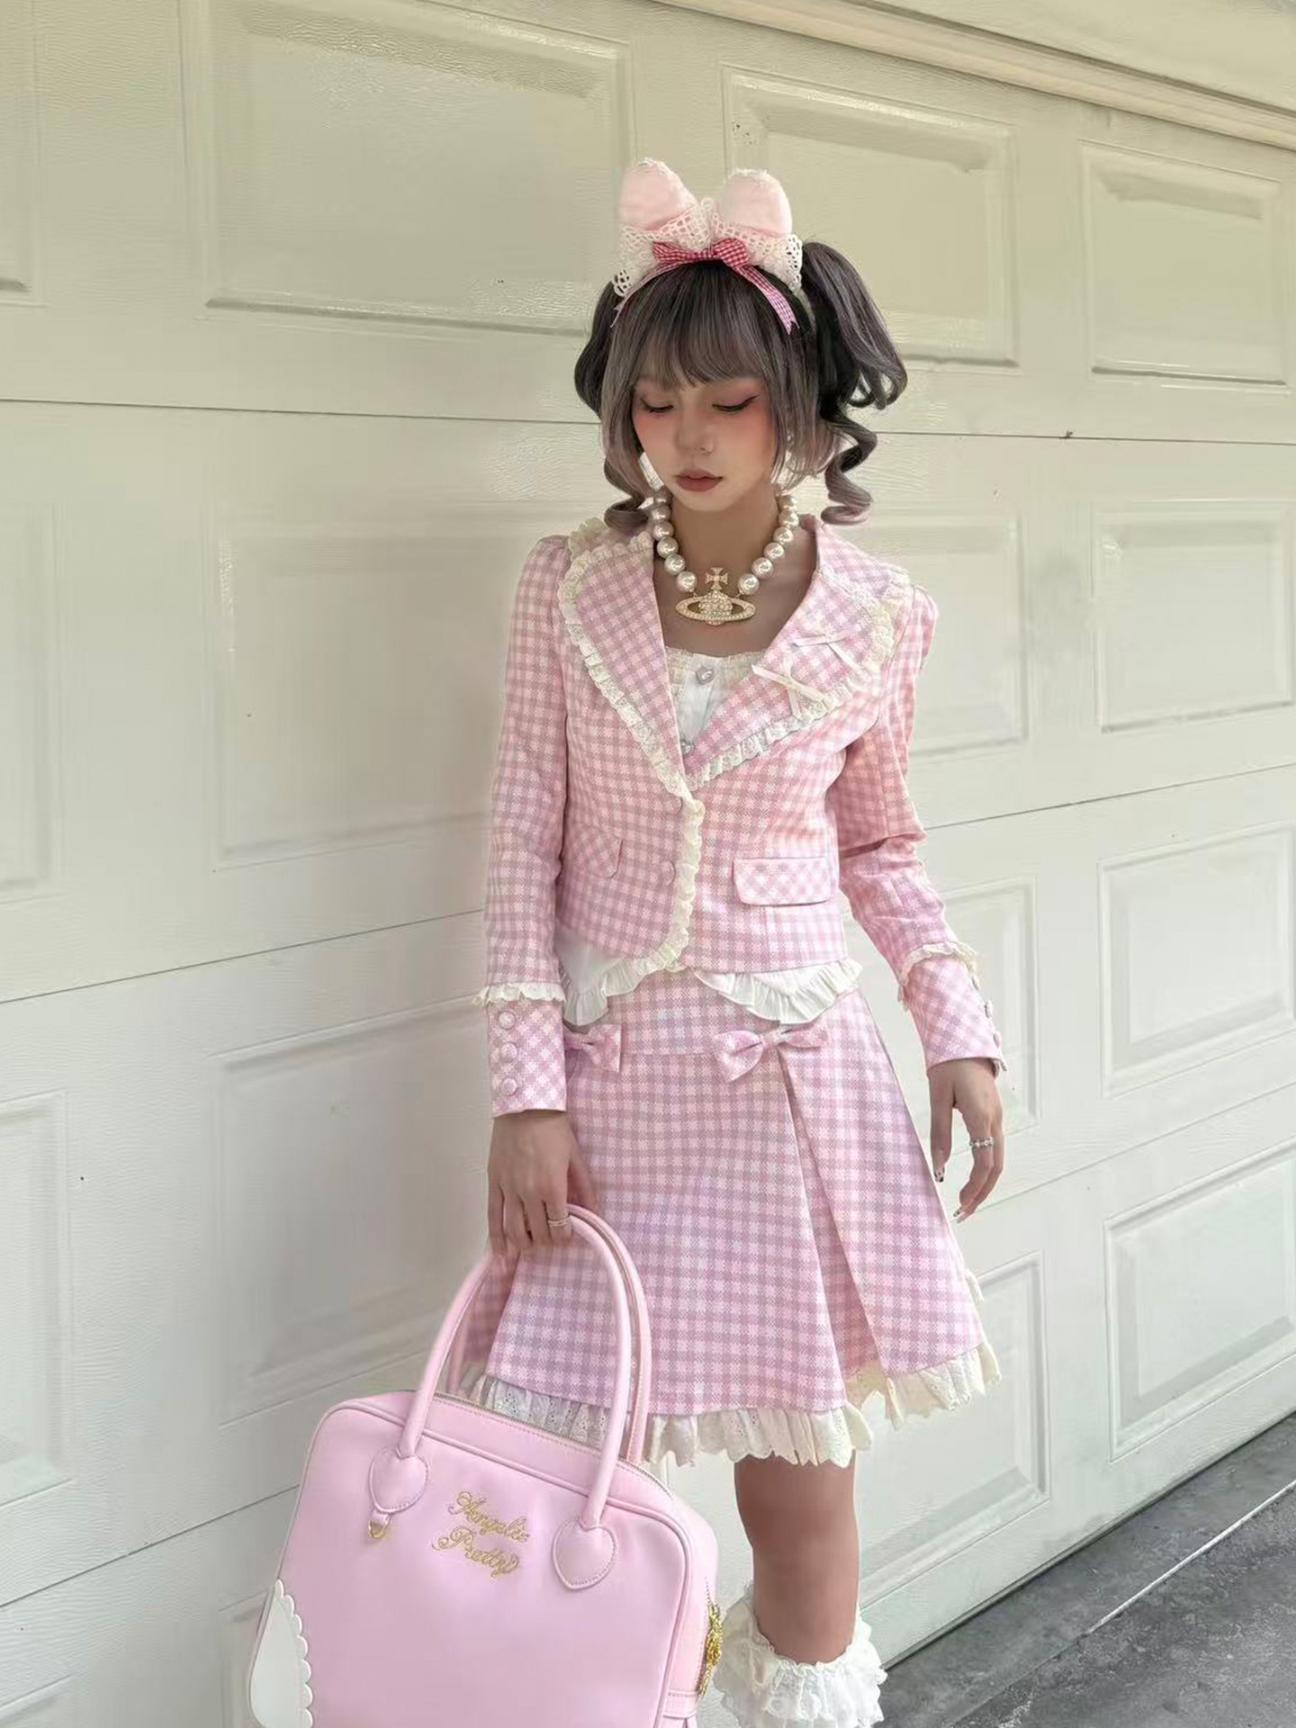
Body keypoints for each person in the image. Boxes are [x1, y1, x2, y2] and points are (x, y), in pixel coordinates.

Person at [455, 158, 1008, 1727]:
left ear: (804, 413)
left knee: (801, 1475)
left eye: (726, 404)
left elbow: (883, 846)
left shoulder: (881, 616)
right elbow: (521, 848)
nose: (684, 439)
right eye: (656, 405)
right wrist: (524, 1092)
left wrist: (957, 1029)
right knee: (566, 1461)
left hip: (792, 1081)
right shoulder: (568, 589)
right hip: (609, 1086)